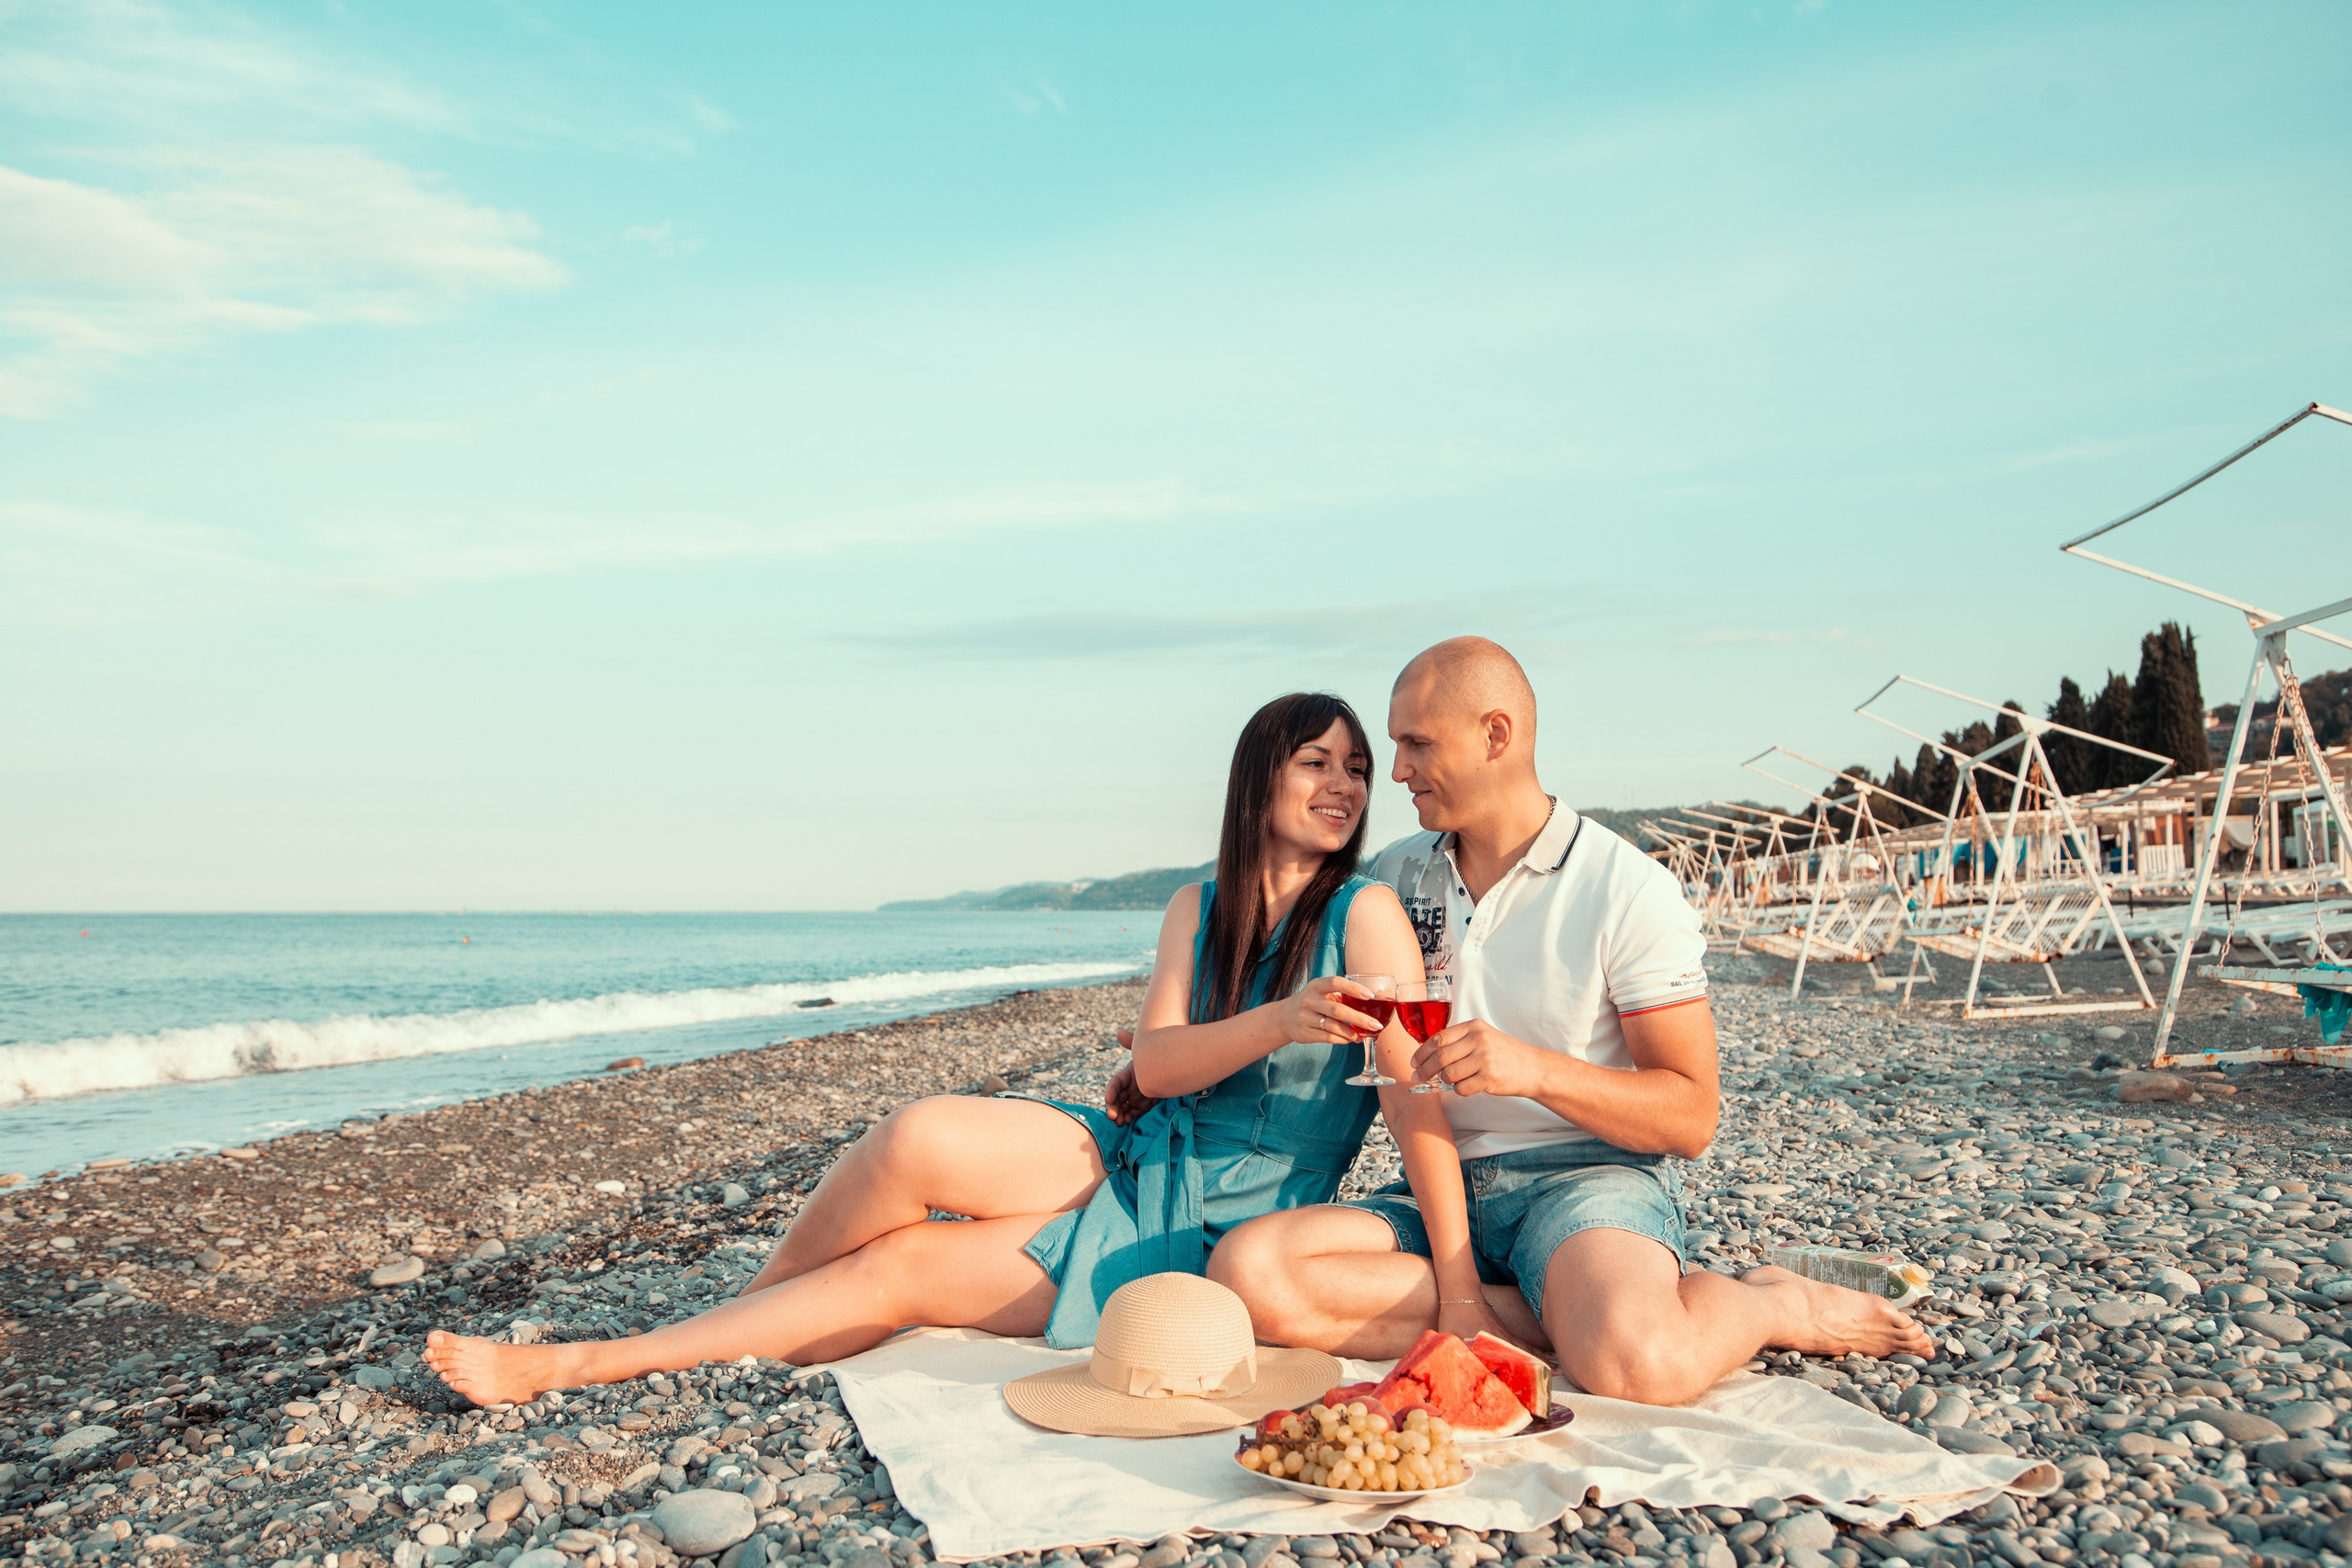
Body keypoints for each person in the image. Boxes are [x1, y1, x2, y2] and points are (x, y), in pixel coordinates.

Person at [423, 692, 1484, 1404]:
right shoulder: (1194, 905)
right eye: (1316, 763)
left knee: (905, 1267)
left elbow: (1410, 1103)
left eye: (1356, 768)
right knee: (914, 1135)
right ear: (1259, 778)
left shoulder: (1367, 914)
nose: (1345, 785)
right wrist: (1274, 1020)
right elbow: (1156, 1068)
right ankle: (741, 1315)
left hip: (1232, 1211)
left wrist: (1458, 1279)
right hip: (1137, 1142)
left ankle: (583, 1363)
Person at [1198, 638, 1935, 1406]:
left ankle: (1771, 1301)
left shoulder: (1626, 890)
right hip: (1440, 1185)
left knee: (1638, 1365)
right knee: (1248, 1276)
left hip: (1586, 1184)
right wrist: (1167, 1058)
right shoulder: (1395, 873)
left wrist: (1537, 1070)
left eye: (1416, 743)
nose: (1398, 770)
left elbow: (1691, 1115)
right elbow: (1300, 988)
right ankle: (1530, 1308)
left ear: (1495, 735)